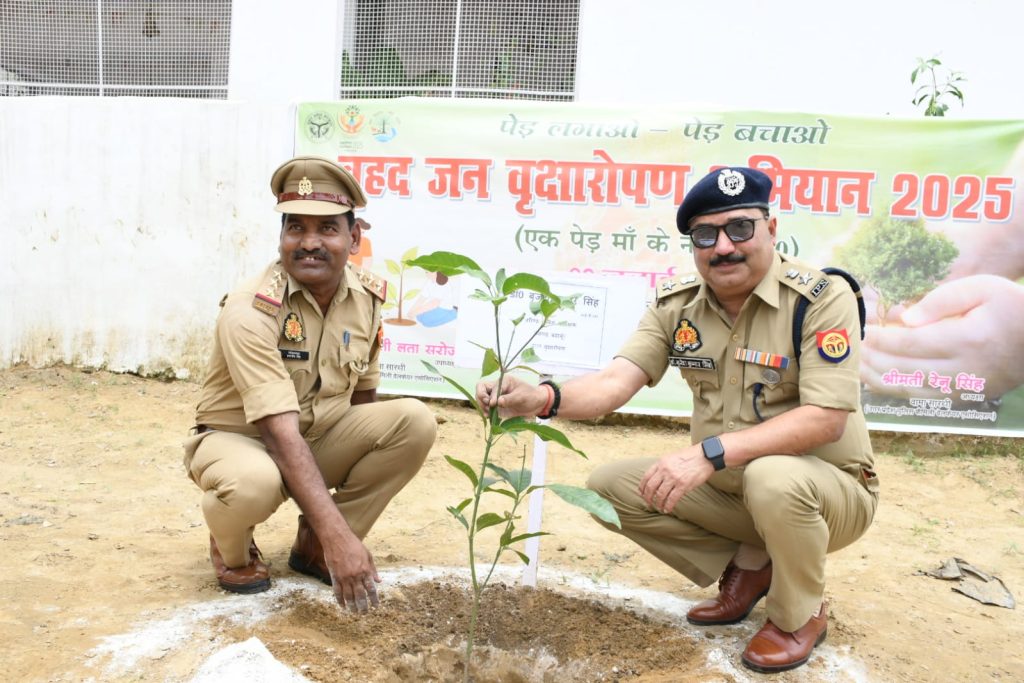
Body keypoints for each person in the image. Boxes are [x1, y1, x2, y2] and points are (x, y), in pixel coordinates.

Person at [477, 167, 879, 673]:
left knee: (773, 477)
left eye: (740, 228)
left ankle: (799, 615)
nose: (723, 247)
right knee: (610, 488)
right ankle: (752, 565)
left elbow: (825, 420)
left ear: (771, 229)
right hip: (736, 492)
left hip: (830, 495)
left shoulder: (820, 298)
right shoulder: (677, 305)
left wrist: (710, 453)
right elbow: (613, 383)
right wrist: (540, 397)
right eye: (705, 235)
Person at [183, 155, 437, 613]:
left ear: (354, 238)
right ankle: (232, 545)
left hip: (315, 436)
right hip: (241, 441)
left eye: (327, 229)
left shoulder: (366, 296)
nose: (309, 243)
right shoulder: (251, 308)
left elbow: (364, 399)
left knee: (413, 421)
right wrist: (338, 532)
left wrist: (339, 527)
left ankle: (314, 547)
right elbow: (278, 433)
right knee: (252, 484)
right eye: (295, 227)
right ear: (281, 236)